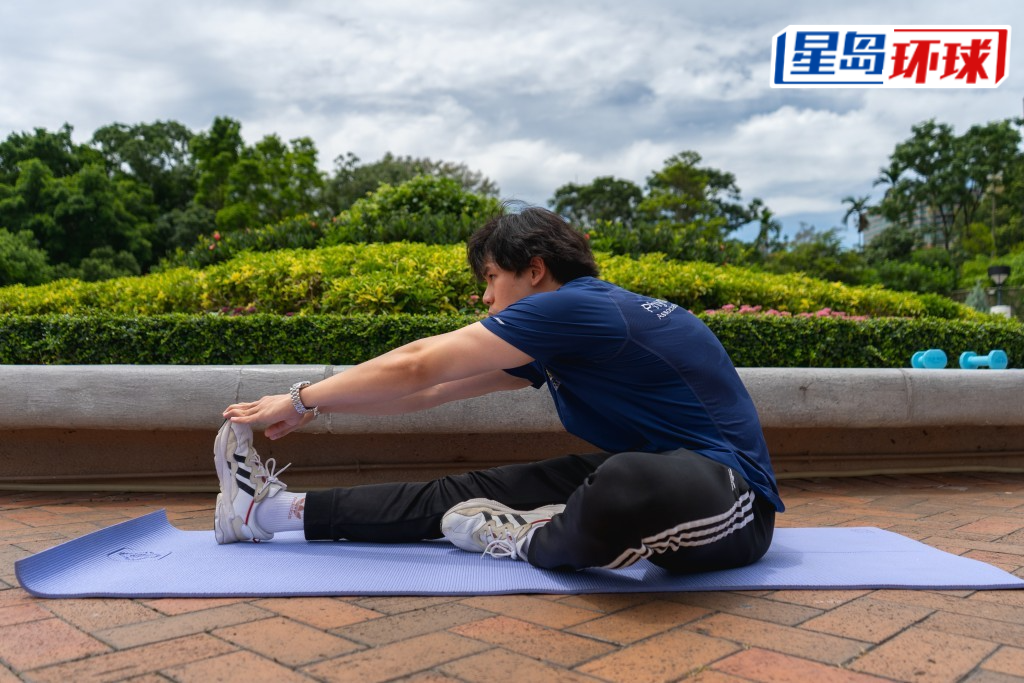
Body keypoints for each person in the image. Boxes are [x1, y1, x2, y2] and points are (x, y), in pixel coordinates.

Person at [217, 204, 783, 573]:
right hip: (651, 474)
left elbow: (419, 364)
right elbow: (429, 390)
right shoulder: (567, 334)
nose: (486, 298)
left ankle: (528, 538)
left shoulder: (580, 308)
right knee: (465, 491)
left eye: (490, 278)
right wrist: (319, 407)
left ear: (534, 270)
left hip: (733, 500)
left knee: (624, 478)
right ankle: (265, 514)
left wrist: (299, 398)